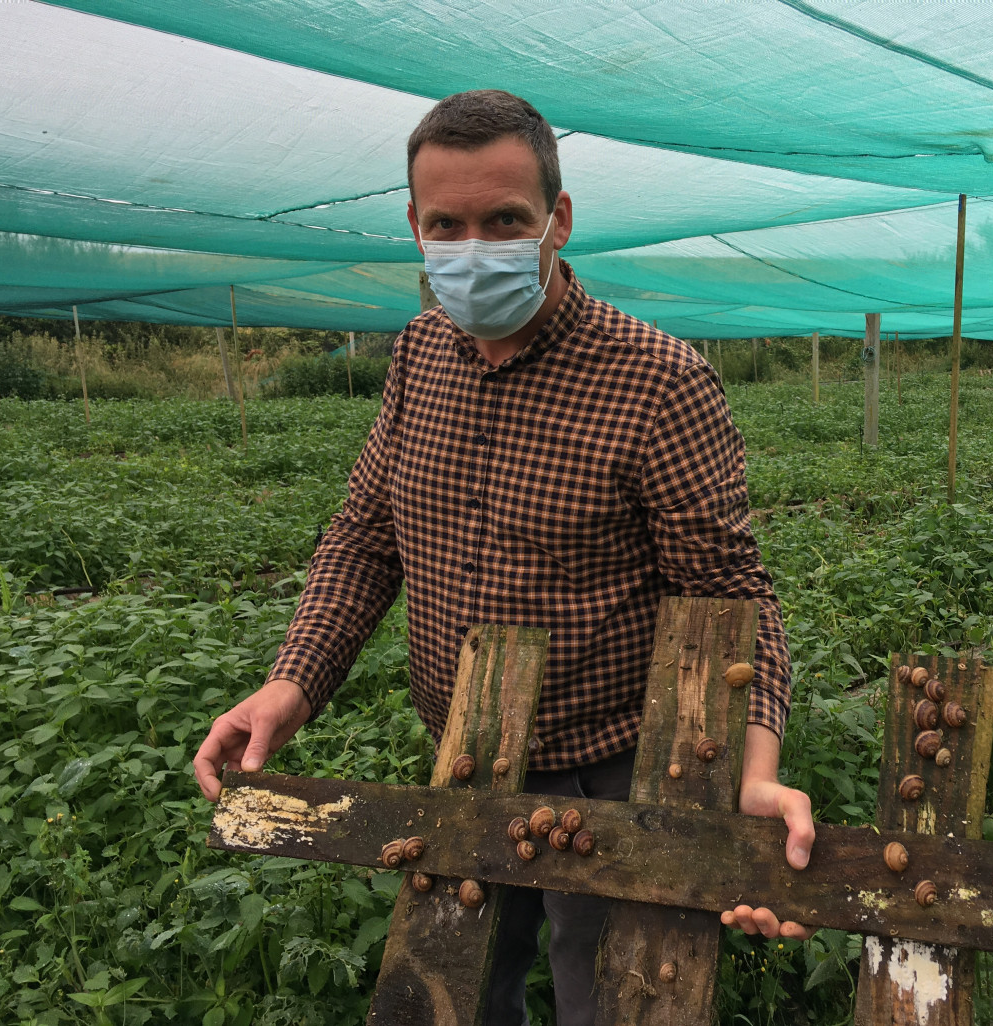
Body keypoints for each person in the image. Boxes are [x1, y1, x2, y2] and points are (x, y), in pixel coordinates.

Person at [193, 89, 814, 1026]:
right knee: (457, 990)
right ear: (414, 225)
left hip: (607, 770)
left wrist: (753, 769)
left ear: (557, 221)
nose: (473, 246)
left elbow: (732, 598)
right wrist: (291, 685)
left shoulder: (658, 382)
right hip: (464, 751)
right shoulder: (419, 355)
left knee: (608, 995)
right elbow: (365, 537)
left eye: (504, 221)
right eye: (446, 224)